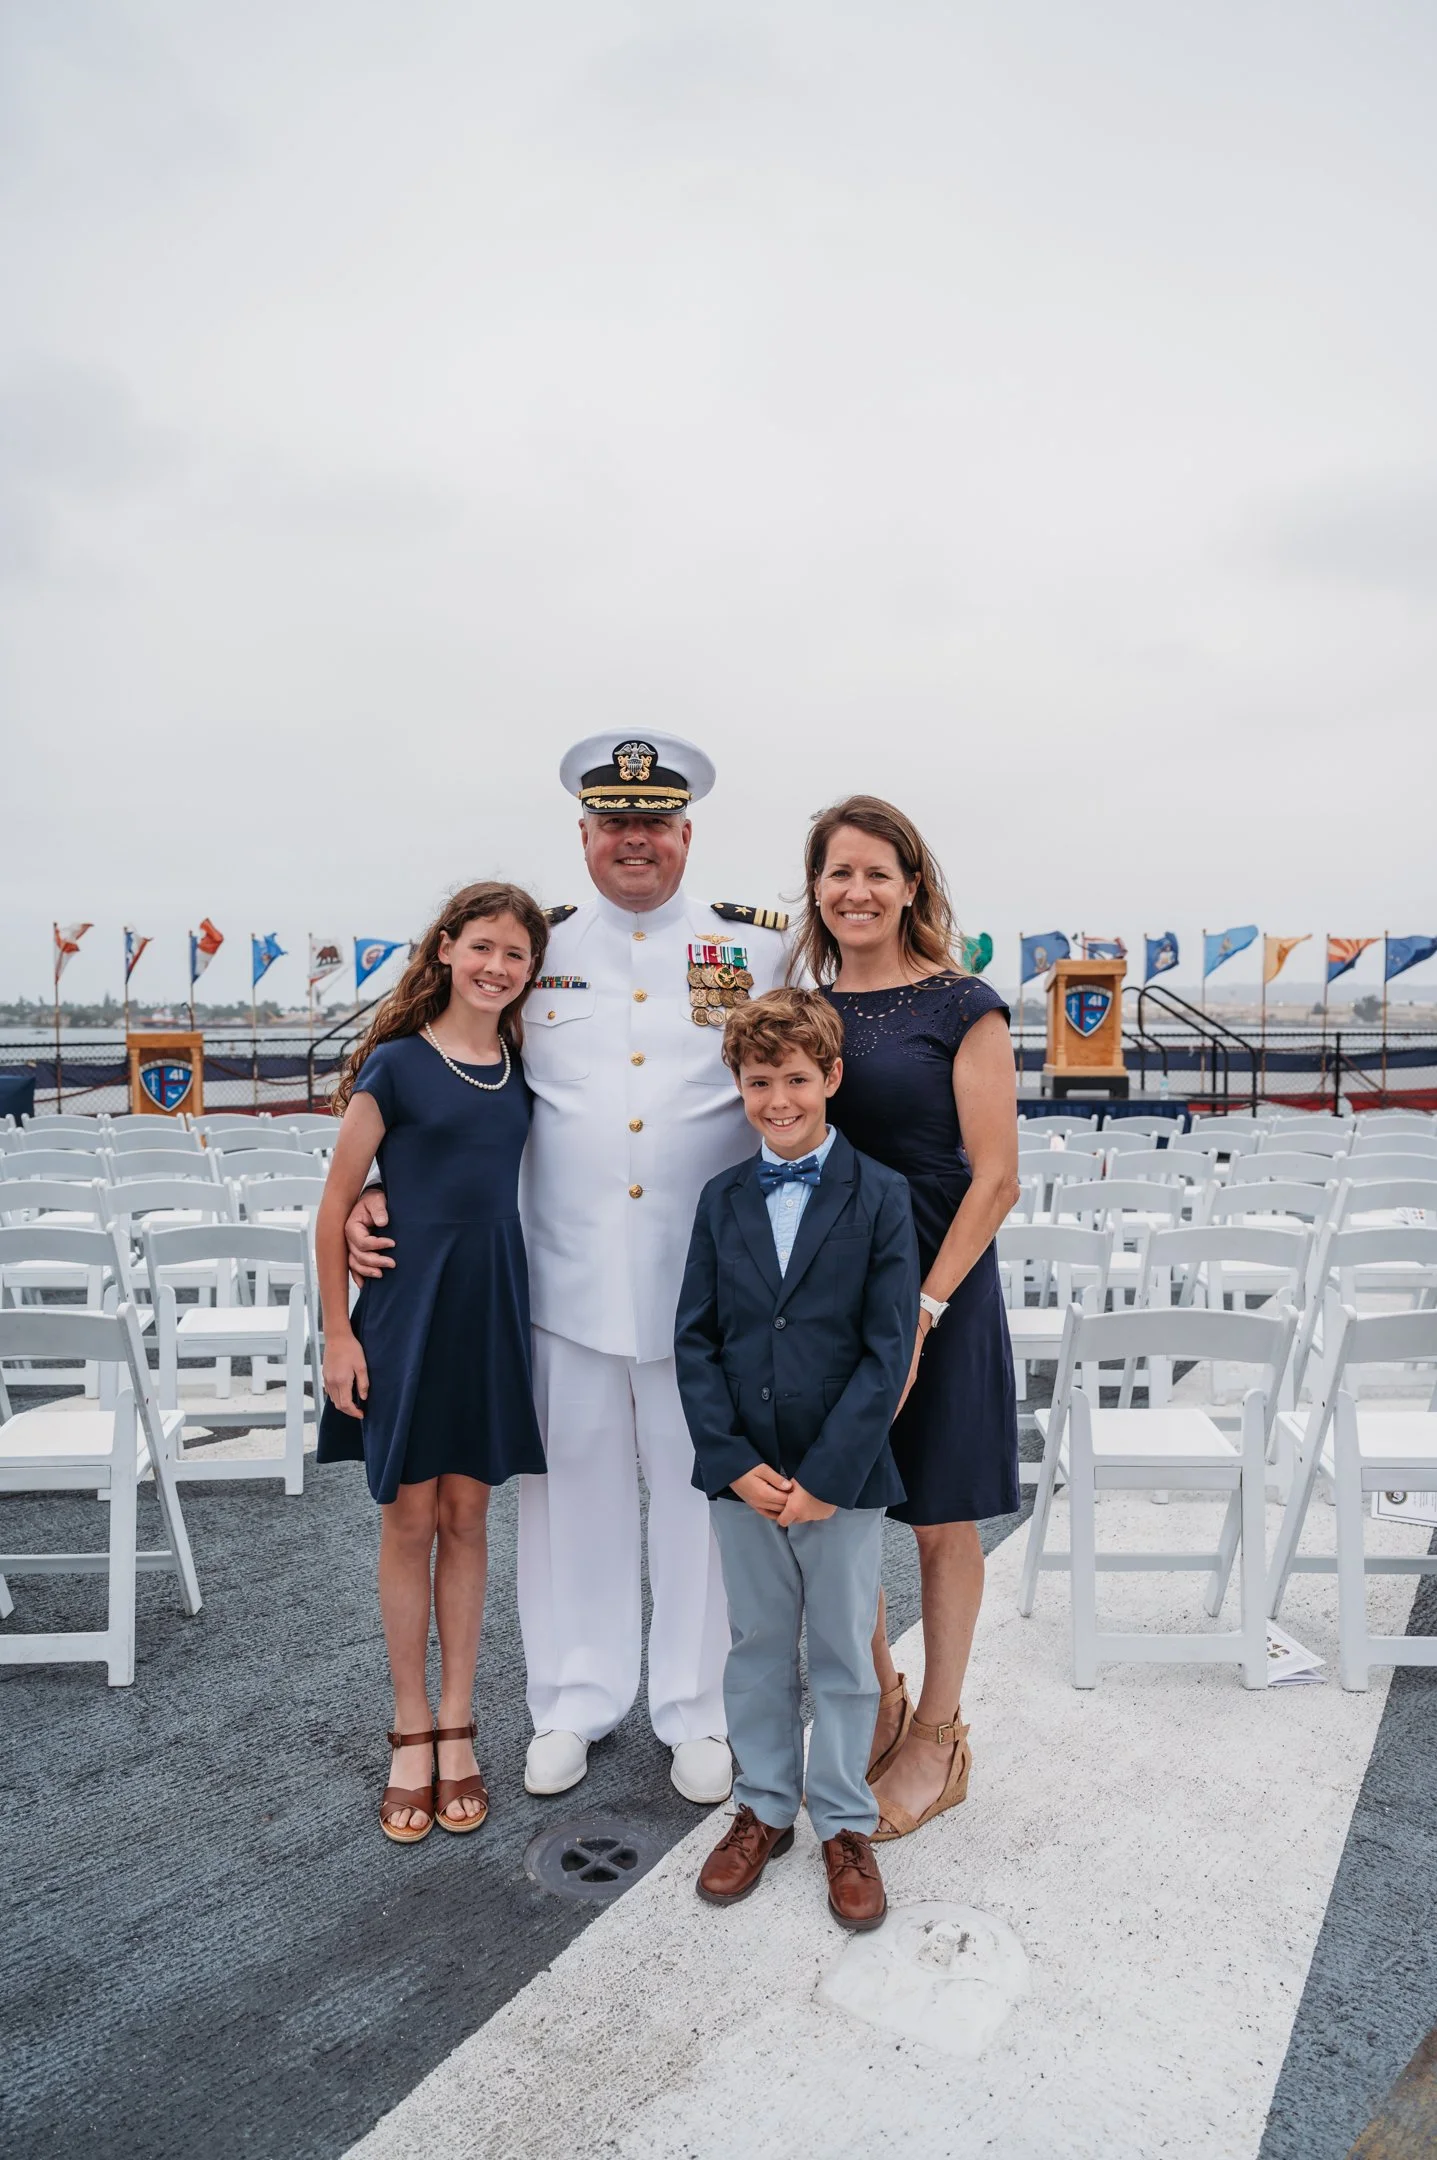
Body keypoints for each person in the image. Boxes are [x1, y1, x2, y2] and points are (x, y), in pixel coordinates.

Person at [344, 736, 789, 1805]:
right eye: (614, 824)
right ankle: (574, 1700)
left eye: (655, 824)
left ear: (686, 835)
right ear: (585, 836)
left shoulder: (758, 949)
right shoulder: (536, 946)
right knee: (565, 1505)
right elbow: (425, 1046)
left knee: (702, 1504)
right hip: (562, 1285)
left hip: (708, 1291)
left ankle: (695, 1710)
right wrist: (370, 1184)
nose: (635, 840)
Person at [794, 796, 1020, 1843]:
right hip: (838, 1291)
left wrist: (926, 1307)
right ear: (817, 890)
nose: (857, 891)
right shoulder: (807, 1012)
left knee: (937, 1514)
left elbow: (998, 1177)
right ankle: (878, 1694)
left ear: (912, 884)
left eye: (876, 872)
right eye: (838, 873)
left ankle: (939, 1735)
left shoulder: (961, 1004)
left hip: (943, 1284)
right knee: (844, 1510)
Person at [676, 988, 919, 1930]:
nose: (778, 1099)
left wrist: (826, 1475)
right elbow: (693, 1342)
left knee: (843, 1651)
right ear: (738, 1087)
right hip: (743, 1473)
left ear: (832, 1079)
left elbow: (886, 1350)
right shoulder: (718, 1199)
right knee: (756, 1644)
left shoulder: (881, 1195)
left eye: (795, 1079)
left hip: (842, 1476)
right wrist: (731, 1460)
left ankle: (843, 1821)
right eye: (758, 1081)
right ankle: (765, 1806)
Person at [316, 881, 550, 1844]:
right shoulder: (398, 1066)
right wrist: (338, 1334)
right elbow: (334, 1208)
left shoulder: (522, 1062)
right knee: (408, 1517)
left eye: (516, 956)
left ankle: (461, 1724)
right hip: (408, 1311)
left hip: (491, 1308)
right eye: (483, 947)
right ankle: (410, 1729)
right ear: (446, 947)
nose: (498, 967)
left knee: (468, 1513)